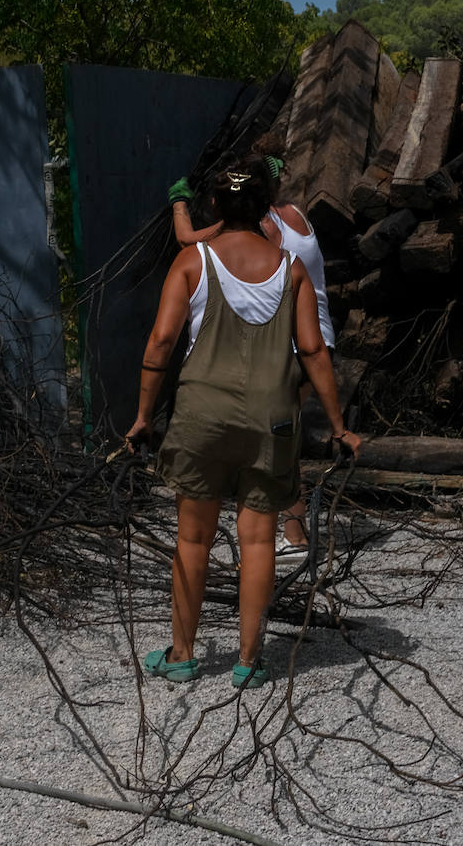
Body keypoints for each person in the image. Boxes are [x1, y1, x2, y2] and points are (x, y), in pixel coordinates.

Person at [127, 154, 361, 689]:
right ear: (266, 207)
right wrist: (338, 425)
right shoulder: (291, 268)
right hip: (270, 417)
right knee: (257, 541)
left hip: (201, 416)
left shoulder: (193, 262)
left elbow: (162, 342)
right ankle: (248, 661)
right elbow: (313, 352)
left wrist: (143, 416)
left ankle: (182, 655)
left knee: (193, 538)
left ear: (213, 204)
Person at [167, 135, 334, 549]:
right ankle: (292, 533)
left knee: (280, 442)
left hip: (288, 337)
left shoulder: (263, 226)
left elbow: (189, 240)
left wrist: (179, 204)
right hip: (321, 333)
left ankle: (290, 536)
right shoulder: (297, 215)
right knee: (285, 434)